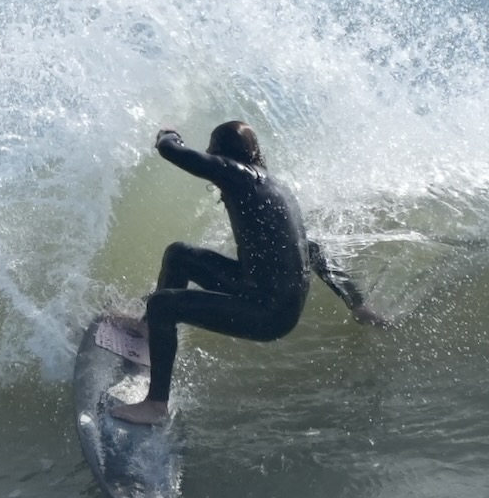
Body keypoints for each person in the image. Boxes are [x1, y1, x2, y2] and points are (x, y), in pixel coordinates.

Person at [112, 120, 388, 425]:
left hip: (268, 313)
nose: (210, 158)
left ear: (222, 154)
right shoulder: (274, 187)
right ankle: (150, 331)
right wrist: (356, 302)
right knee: (179, 255)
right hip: (258, 288)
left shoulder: (239, 175)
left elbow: (171, 151)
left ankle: (156, 407)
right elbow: (312, 249)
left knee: (163, 304)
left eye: (212, 152)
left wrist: (168, 134)